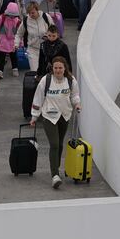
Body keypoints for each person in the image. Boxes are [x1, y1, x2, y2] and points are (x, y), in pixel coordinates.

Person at [29, 56, 82, 189]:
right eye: (56, 68)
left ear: (65, 68)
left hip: (64, 116)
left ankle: (56, 167)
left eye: (60, 68)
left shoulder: (70, 80)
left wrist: (77, 104)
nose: (58, 70)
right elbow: (38, 99)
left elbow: (74, 95)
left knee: (60, 144)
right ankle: (55, 175)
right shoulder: (45, 80)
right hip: (49, 116)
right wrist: (34, 117)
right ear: (52, 68)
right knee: (54, 144)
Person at [14, 1, 53, 72]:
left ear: (37, 10)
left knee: (47, 72)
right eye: (29, 13)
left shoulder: (46, 17)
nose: (31, 15)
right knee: (35, 72)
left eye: (33, 12)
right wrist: (16, 44)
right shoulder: (26, 20)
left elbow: (54, 30)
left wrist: (49, 36)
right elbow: (19, 34)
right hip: (32, 50)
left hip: (46, 49)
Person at [0, 2, 22, 78]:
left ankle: (14, 69)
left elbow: (20, 33)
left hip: (11, 41)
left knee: (13, 56)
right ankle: (1, 71)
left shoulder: (16, 21)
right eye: (10, 15)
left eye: (13, 15)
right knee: (2, 56)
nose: (12, 17)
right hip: (4, 41)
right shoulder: (2, 19)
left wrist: (20, 42)